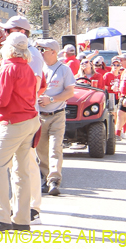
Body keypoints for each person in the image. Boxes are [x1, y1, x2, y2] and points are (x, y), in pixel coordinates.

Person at [0, 32, 40, 232]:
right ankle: (22, 219)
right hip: (29, 120)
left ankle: (1, 217)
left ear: (9, 49)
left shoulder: (9, 68)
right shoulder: (28, 68)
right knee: (21, 171)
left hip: (15, 122)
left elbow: (2, 101)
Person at [4, 17, 44, 225]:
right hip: (20, 114)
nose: (6, 33)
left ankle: (31, 208)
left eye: (10, 30)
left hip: (23, 114)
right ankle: (21, 205)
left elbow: (37, 85)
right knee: (18, 164)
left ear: (21, 31)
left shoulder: (32, 55)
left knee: (26, 163)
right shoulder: (23, 53)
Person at [36, 38, 76, 197]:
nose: (40, 53)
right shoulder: (39, 68)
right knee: (41, 150)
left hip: (57, 115)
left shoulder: (64, 69)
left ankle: (54, 180)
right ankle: (45, 178)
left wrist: (51, 99)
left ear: (53, 52)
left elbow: (70, 92)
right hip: (40, 116)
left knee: (55, 148)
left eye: (43, 50)